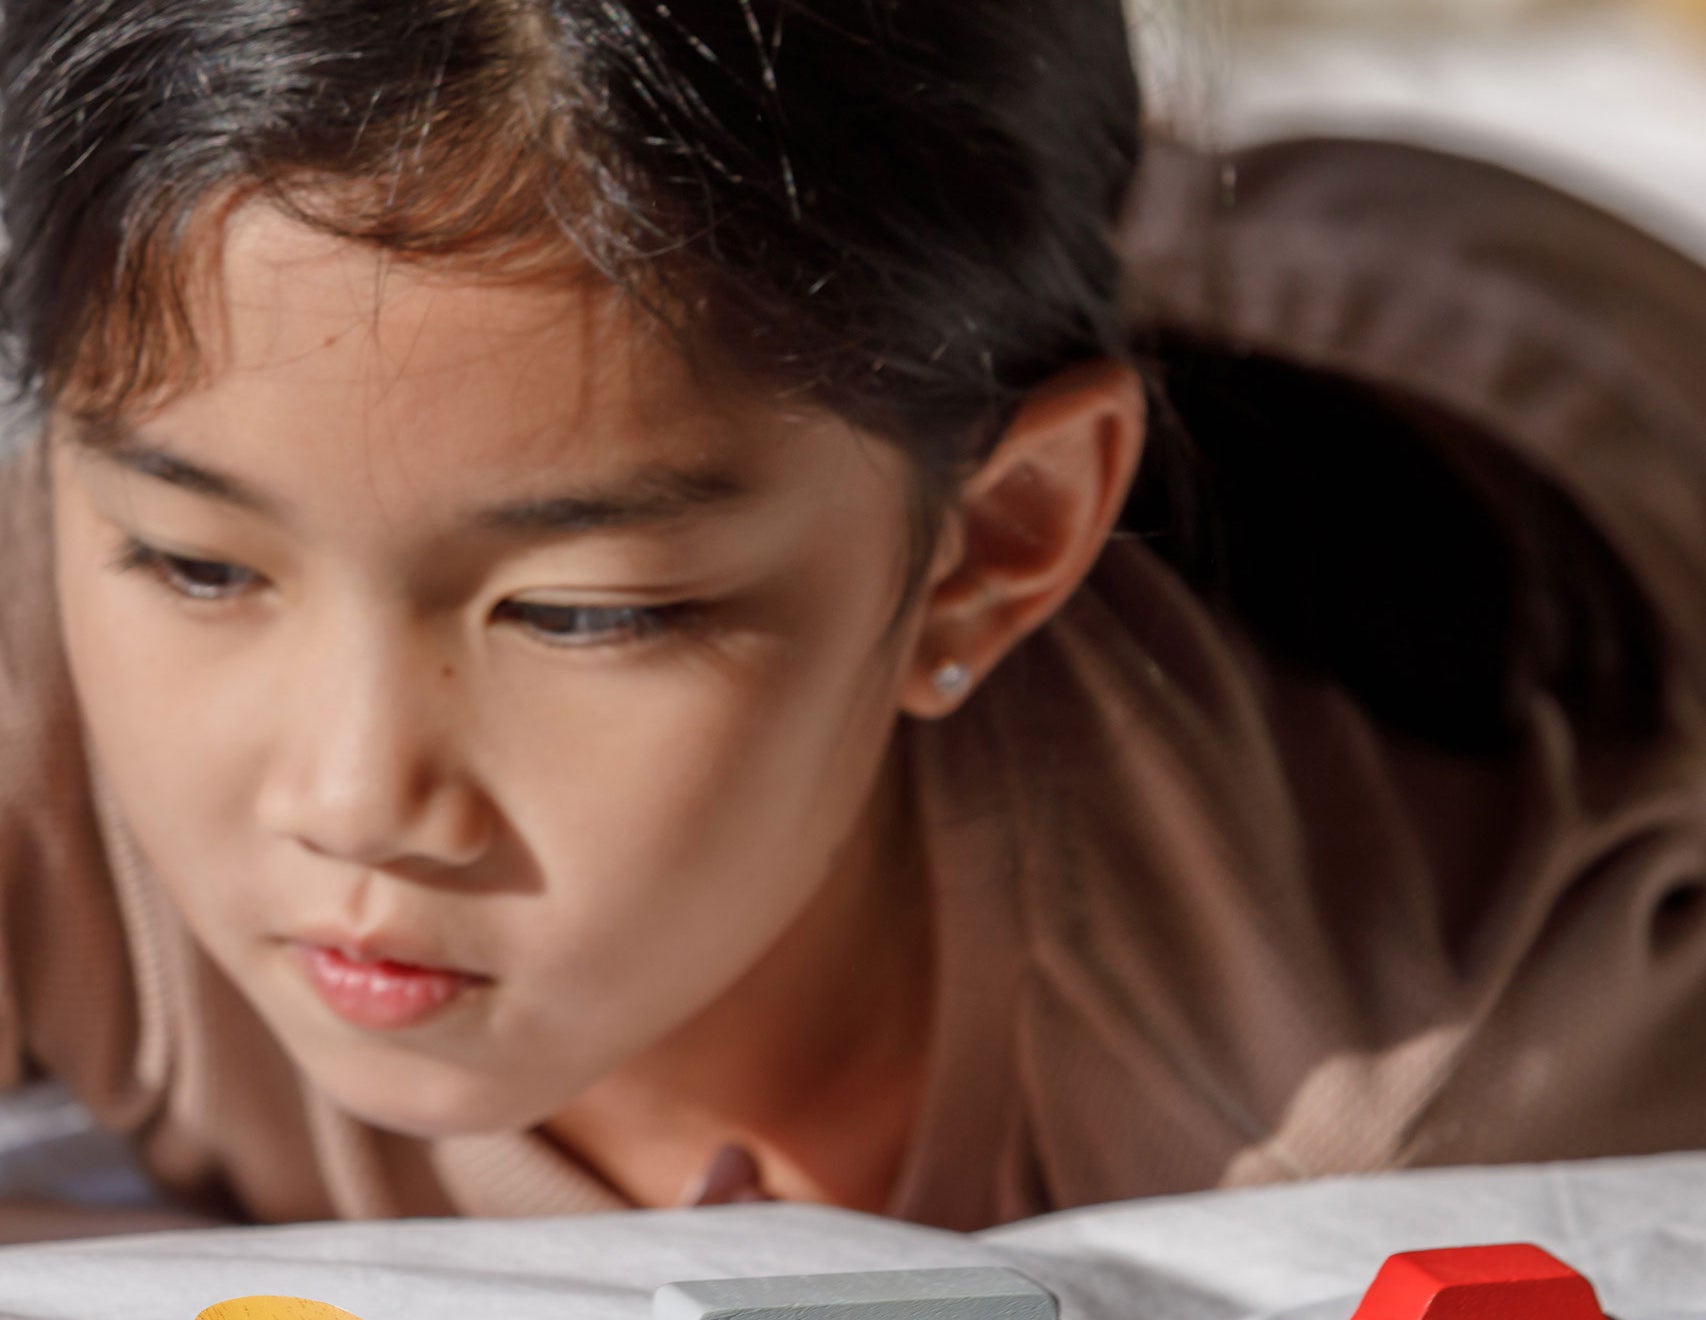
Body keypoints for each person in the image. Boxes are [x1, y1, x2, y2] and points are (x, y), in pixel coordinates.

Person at [0, 2, 1703, 1238]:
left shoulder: (1425, 1074)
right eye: (198, 567)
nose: (353, 797)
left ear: (994, 554)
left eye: (587, 614)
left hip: (1509, 321)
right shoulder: (45, 685)